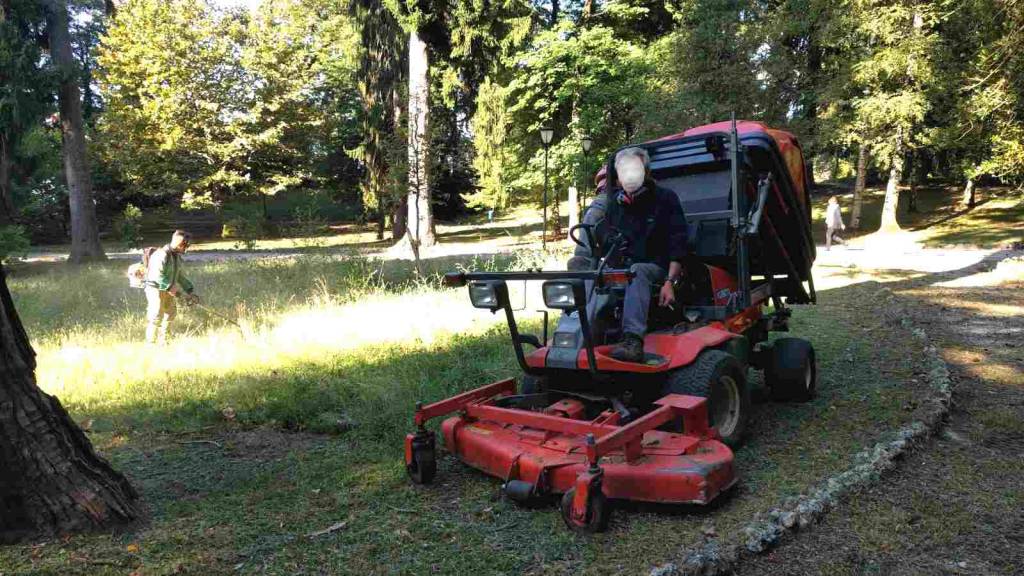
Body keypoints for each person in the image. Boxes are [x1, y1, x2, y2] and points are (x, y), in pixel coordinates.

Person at [591, 147, 688, 363]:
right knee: (591, 273)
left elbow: (678, 244)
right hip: (621, 267)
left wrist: (669, 282)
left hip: (655, 268)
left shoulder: (666, 199)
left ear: (646, 172)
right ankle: (585, 333)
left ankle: (632, 341)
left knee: (637, 271)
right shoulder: (615, 205)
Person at [144, 230, 197, 344]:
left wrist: (189, 289)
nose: (187, 248)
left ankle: (165, 340)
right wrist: (170, 287)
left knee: (170, 313)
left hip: (168, 289)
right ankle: (151, 343)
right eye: (186, 245)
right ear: (180, 243)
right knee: (156, 316)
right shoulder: (161, 255)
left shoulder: (176, 256)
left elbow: (179, 275)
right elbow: (156, 275)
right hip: (155, 289)